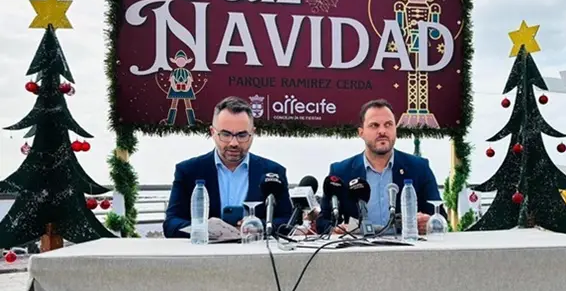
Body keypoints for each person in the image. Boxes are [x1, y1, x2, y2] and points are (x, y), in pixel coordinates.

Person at [163, 96, 293, 238]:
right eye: (226, 134)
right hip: (205, 255)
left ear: (253, 134)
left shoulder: (273, 172)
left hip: (256, 254)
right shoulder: (189, 171)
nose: (234, 143)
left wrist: (257, 226)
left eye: (242, 135)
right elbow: (171, 224)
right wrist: (205, 229)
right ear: (213, 133)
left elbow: (287, 221)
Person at [317, 99, 443, 235]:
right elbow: (323, 221)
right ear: (361, 133)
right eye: (374, 125)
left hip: (407, 251)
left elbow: (440, 216)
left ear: (396, 129)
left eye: (388, 124)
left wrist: (429, 222)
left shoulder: (419, 168)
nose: (382, 131)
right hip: (357, 251)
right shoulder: (341, 171)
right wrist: (335, 230)